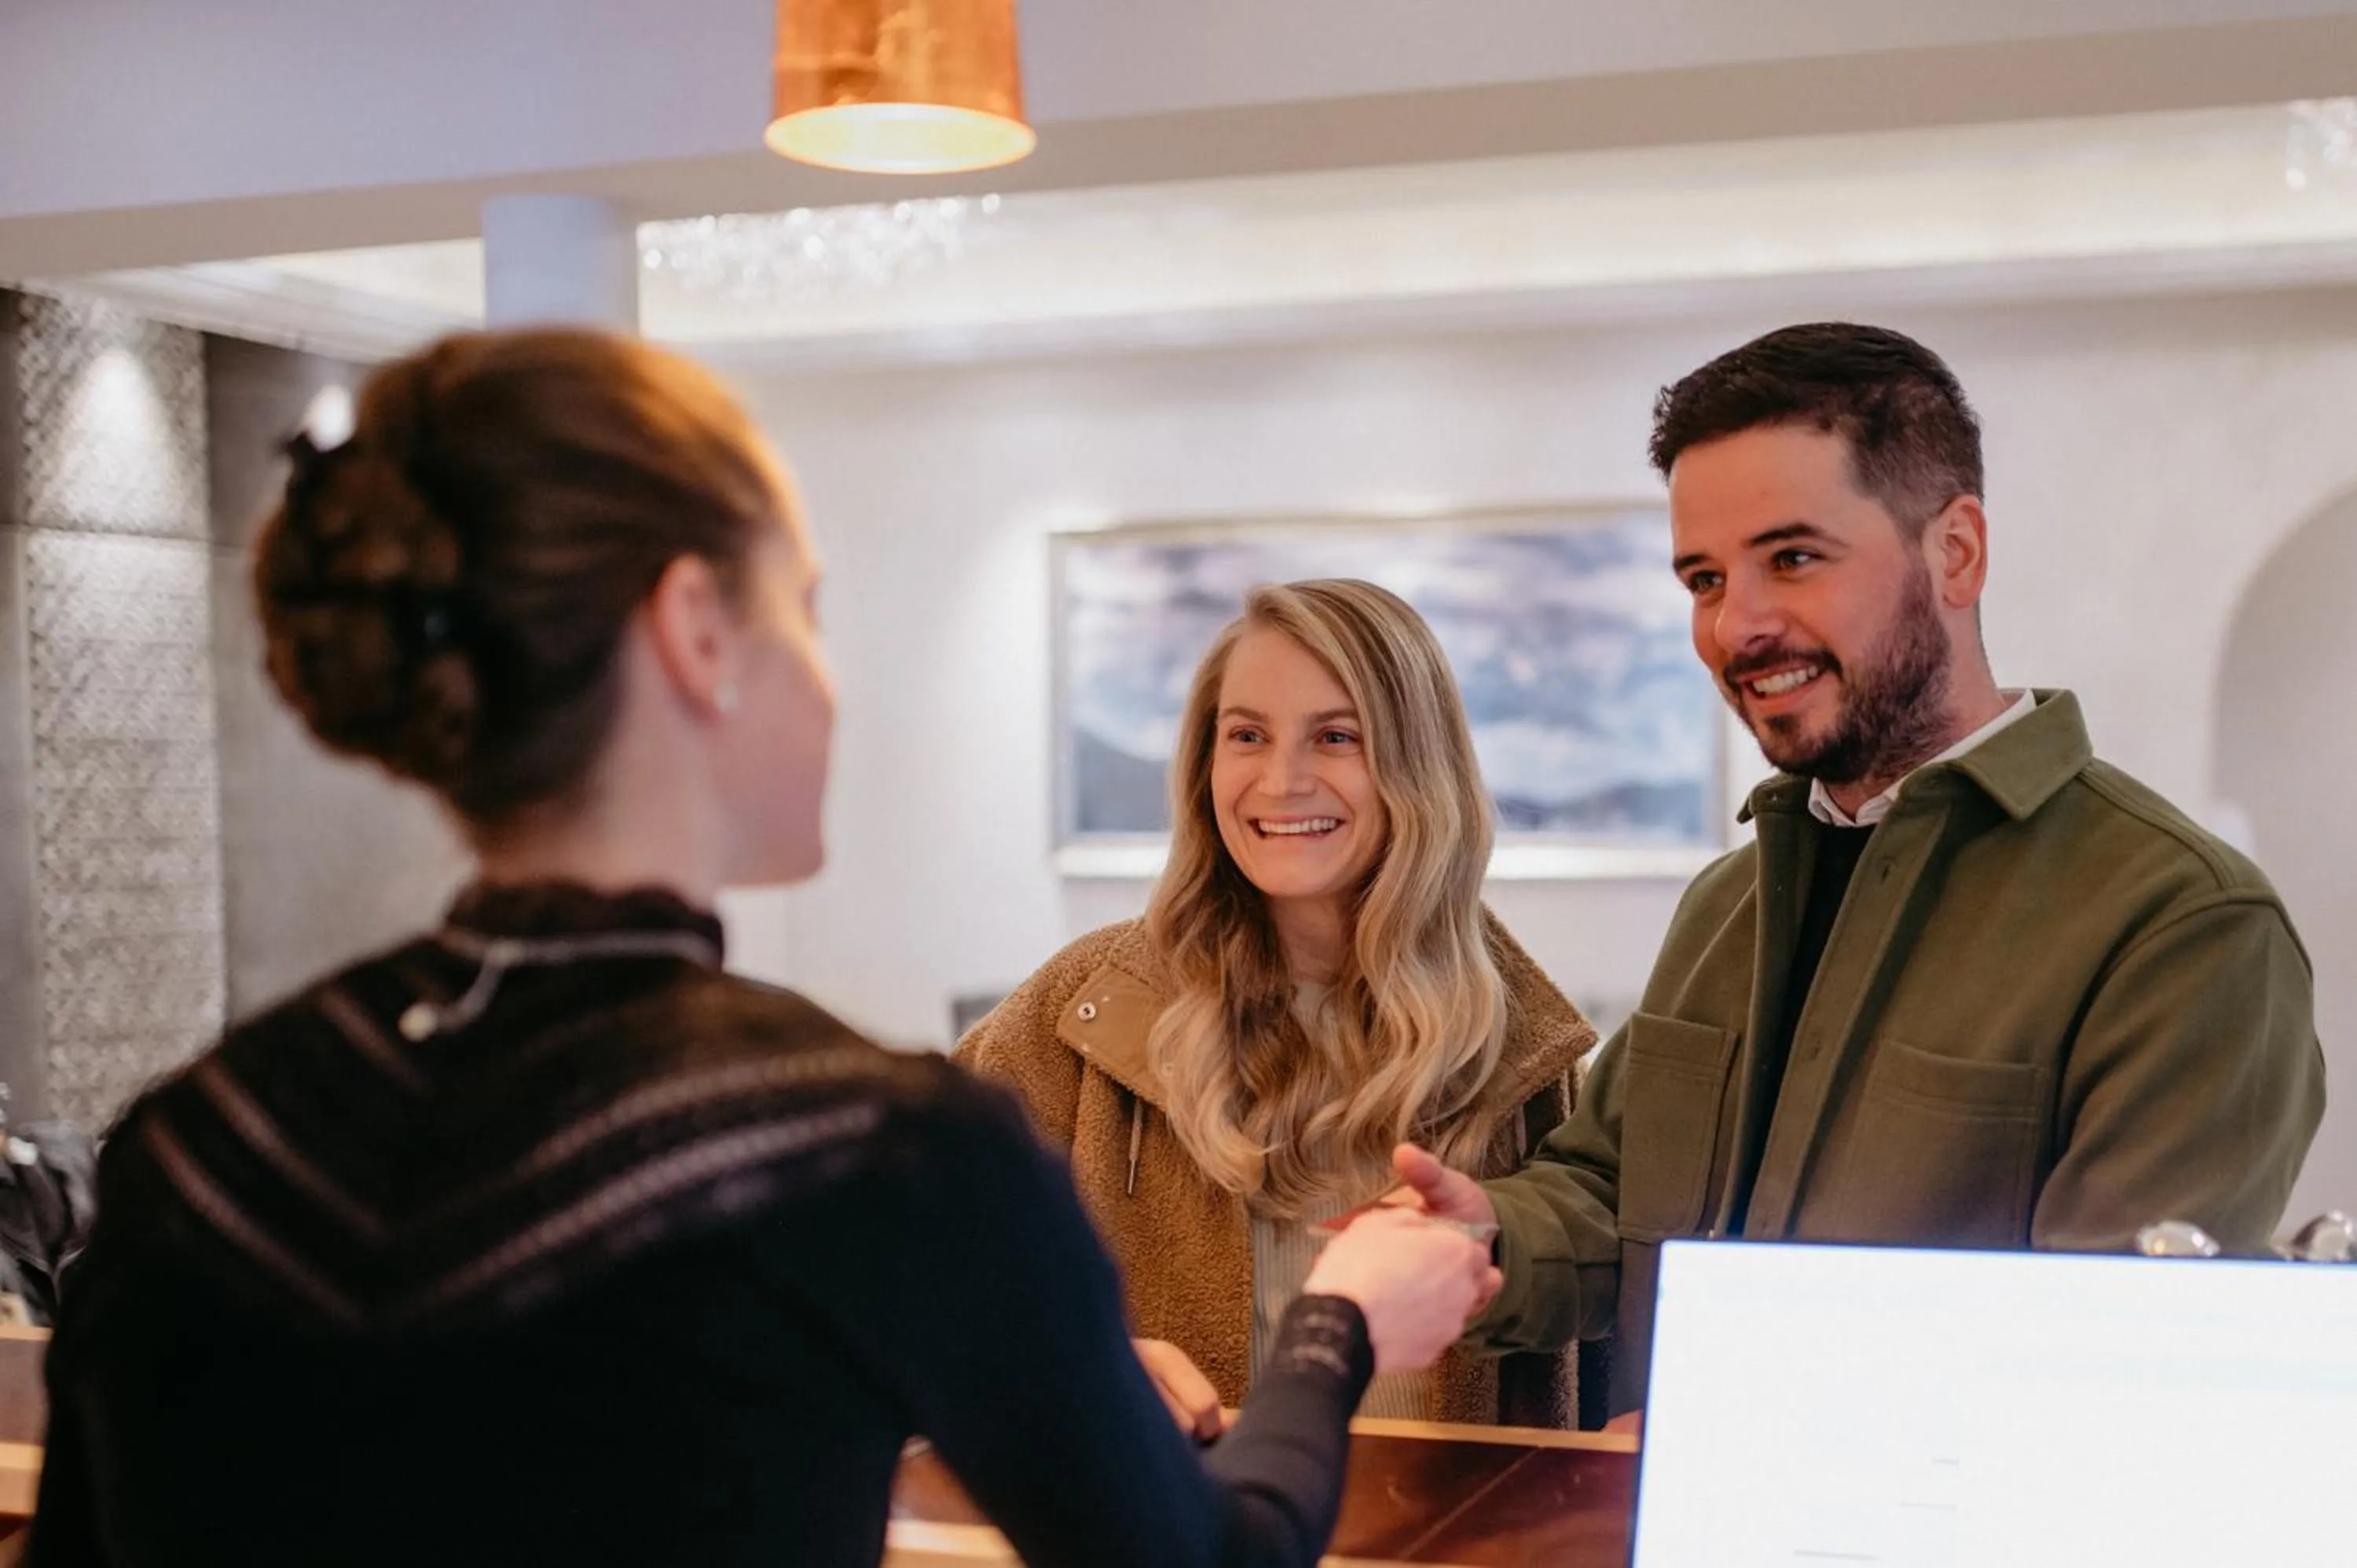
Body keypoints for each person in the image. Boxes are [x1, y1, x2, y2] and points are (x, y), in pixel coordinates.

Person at [26, 330, 1500, 1568]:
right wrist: (1338, 1324)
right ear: (695, 631)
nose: (829, 676)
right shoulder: (884, 1155)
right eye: (805, 610)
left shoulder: (202, 1139)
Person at [1395, 321, 2326, 1422]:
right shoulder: (1726, 905)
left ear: (1957, 552)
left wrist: (1739, 1440)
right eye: (1704, 578)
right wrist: (1488, 1238)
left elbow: (2106, 1382)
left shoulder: (2184, 924)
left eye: (1793, 558)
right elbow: (1612, 1195)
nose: (1736, 625)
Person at [959, 580, 1596, 1434]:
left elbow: (1605, 1342)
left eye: (1336, 737)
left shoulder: (1522, 1044)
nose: (1282, 781)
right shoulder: (1082, 1009)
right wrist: (1063, 1365)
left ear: (1418, 764)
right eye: (1247, 736)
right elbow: (905, 1261)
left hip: (1444, 1516)